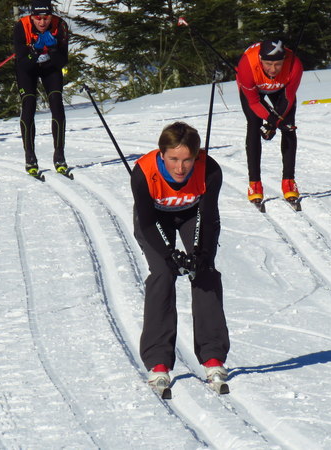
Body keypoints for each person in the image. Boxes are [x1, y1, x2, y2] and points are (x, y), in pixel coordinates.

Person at [131, 122, 229, 394]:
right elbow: (147, 223)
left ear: (196, 156)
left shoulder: (209, 169)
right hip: (155, 220)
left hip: (193, 215)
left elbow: (208, 217)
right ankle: (158, 361)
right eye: (173, 159)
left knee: (204, 271)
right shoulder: (143, 172)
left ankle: (213, 356)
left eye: (187, 160)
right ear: (161, 154)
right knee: (163, 273)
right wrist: (169, 254)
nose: (180, 167)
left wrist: (201, 254)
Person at [236, 39, 304, 205]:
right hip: (254, 89)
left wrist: (276, 124)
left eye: (278, 64)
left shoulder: (295, 65)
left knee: (288, 127)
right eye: (268, 64)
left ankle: (289, 181)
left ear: (284, 60)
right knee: (254, 125)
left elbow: (288, 98)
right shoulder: (246, 65)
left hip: (281, 89)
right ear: (260, 59)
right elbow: (254, 103)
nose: (273, 69)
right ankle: (255, 184)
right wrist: (272, 121)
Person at [13, 0, 70, 177]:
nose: (42, 22)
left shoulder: (60, 26)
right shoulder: (21, 27)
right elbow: (23, 63)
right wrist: (35, 51)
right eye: (38, 18)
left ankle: (59, 155)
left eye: (46, 18)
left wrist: (52, 49)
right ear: (32, 17)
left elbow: (62, 62)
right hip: (28, 69)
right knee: (29, 103)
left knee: (56, 103)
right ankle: (30, 156)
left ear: (51, 17)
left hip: (50, 67)